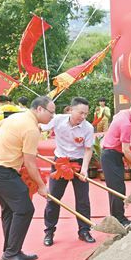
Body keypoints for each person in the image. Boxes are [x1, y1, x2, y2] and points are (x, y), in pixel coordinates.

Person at [0, 96, 55, 260]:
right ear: (39, 109)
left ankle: (11, 251)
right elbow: (29, 163)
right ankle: (11, 254)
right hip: (3, 172)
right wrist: (41, 186)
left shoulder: (17, 116)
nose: (52, 116)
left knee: (10, 210)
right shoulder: (31, 128)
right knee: (24, 209)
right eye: (51, 112)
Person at [41, 97, 95, 246]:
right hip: (60, 162)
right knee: (54, 198)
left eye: (86, 114)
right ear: (71, 110)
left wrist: (84, 169)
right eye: (80, 113)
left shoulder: (88, 128)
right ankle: (49, 231)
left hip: (78, 163)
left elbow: (88, 149)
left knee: (83, 199)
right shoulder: (57, 120)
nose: (83, 117)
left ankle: (84, 231)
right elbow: (40, 127)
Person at [101, 99, 131, 225]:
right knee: (117, 189)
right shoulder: (126, 123)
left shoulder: (123, 113)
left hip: (112, 154)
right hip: (111, 156)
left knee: (116, 188)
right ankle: (119, 219)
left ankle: (117, 218)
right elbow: (126, 150)